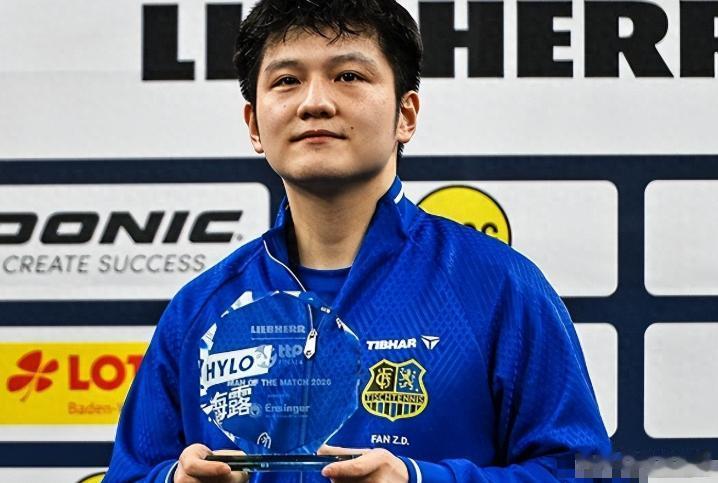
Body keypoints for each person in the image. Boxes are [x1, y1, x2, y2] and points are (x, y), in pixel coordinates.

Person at [105, 0, 611, 481]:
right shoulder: (200, 308)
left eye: (348, 76)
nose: (315, 102)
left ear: (405, 116)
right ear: (254, 125)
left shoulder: (496, 286)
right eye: (286, 80)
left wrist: (420, 479)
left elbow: (584, 472)